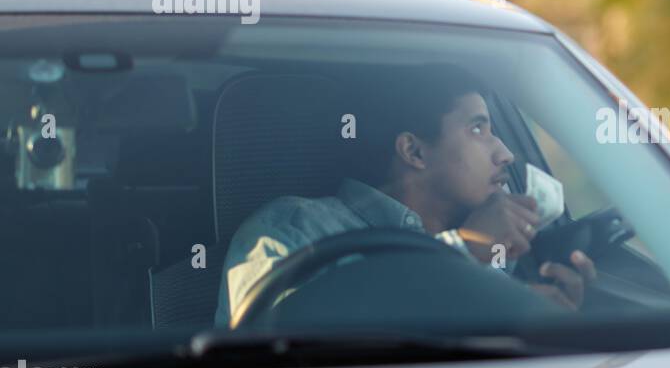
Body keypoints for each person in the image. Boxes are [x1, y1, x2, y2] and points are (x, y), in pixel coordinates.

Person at [214, 65, 595, 327]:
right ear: (413, 151)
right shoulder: (291, 230)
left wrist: (542, 319)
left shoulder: (501, 246)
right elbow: (277, 354)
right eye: (478, 129)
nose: (505, 153)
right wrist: (463, 251)